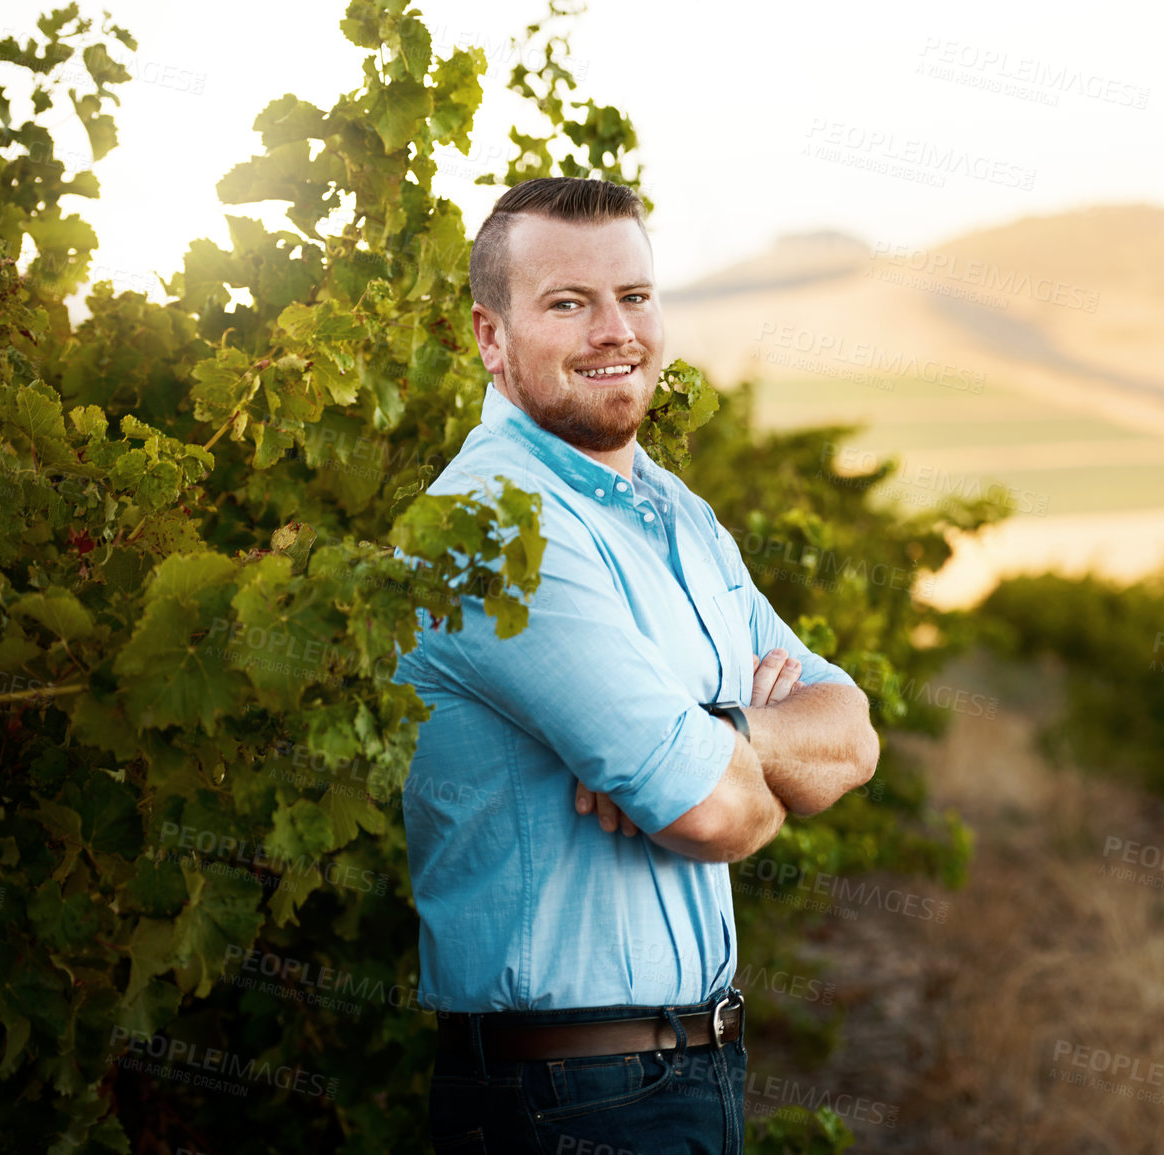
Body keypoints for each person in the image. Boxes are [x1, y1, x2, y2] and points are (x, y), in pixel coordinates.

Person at [394, 175, 879, 1155]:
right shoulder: (490, 529)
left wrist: (724, 737)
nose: (614, 330)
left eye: (635, 296)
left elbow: (853, 737)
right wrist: (722, 768)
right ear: (491, 338)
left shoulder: (679, 514)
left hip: (690, 1070)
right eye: (568, 304)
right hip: (565, 1097)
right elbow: (716, 813)